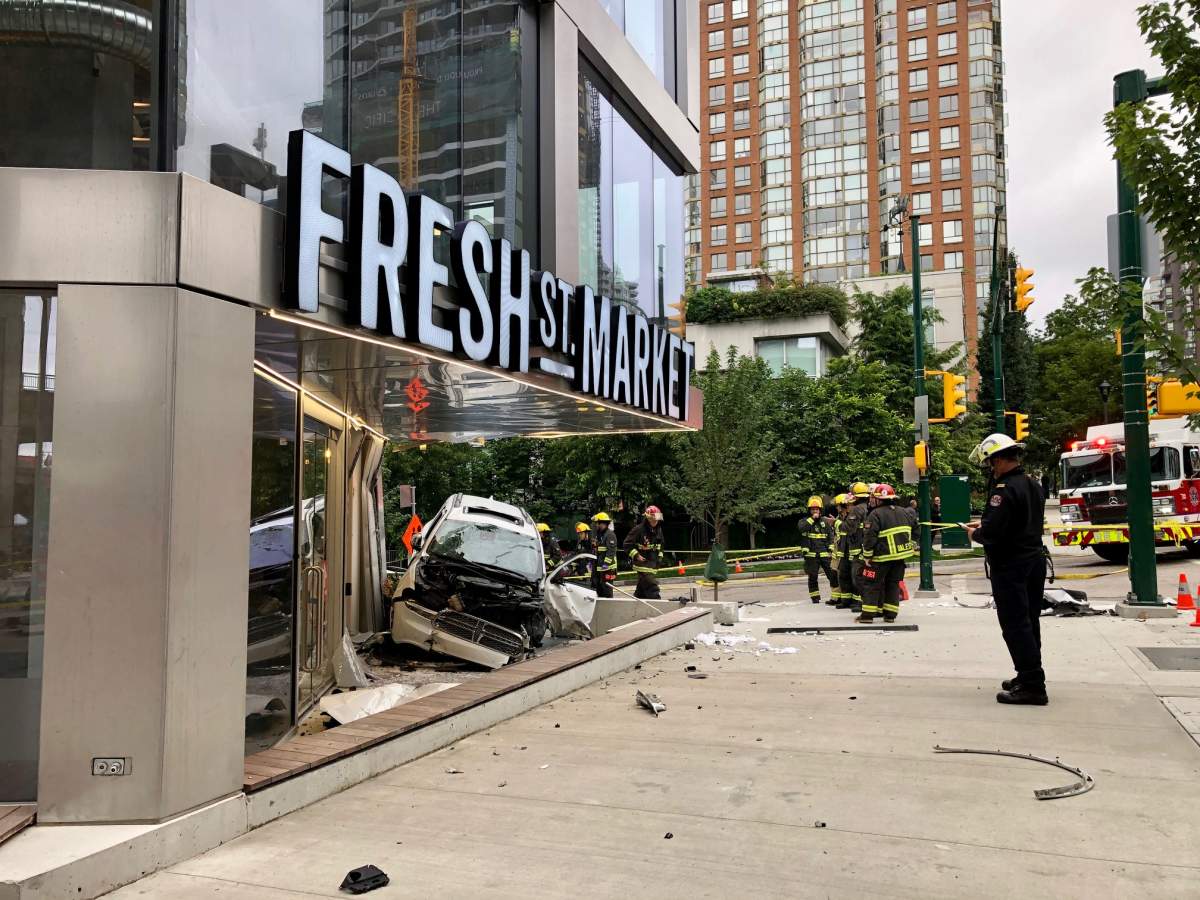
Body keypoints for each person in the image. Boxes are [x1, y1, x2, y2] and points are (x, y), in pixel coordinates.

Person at [965, 434, 1049, 706]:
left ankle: (1032, 685)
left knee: (1015, 624)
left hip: (1011, 564)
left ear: (1000, 459)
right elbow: (1019, 521)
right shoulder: (1032, 484)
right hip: (1033, 560)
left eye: (991, 462)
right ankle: (1029, 675)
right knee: (1029, 620)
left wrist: (975, 533)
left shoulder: (1004, 489)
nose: (991, 467)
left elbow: (994, 532)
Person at [857, 483, 914, 623]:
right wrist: (914, 543)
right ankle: (890, 615)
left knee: (871, 584)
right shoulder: (904, 512)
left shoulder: (875, 514)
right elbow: (916, 528)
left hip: (880, 558)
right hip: (900, 558)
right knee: (893, 584)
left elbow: (870, 537)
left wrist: (867, 556)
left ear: (878, 500)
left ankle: (867, 616)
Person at [801, 496, 838, 604]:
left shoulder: (825, 521)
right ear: (809, 510)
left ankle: (836, 596)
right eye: (813, 509)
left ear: (820, 510)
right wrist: (812, 519)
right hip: (811, 555)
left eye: (817, 509)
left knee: (832, 575)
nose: (815, 511)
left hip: (825, 554)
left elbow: (831, 536)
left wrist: (831, 550)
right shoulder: (804, 521)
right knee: (812, 577)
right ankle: (815, 598)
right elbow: (802, 528)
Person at [623, 505, 665, 599]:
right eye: (654, 519)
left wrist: (660, 557)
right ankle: (657, 602)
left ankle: (638, 599)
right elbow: (627, 544)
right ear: (648, 518)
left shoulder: (658, 530)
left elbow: (661, 545)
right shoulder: (639, 529)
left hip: (653, 563)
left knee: (642, 588)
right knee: (652, 586)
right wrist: (636, 555)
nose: (656, 521)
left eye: (657, 519)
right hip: (642, 564)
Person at [843, 482, 872, 613]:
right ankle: (865, 602)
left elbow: (849, 528)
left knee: (858, 577)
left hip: (859, 550)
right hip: (867, 548)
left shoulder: (857, 509)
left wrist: (836, 523)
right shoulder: (869, 507)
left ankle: (865, 603)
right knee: (867, 577)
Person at [590, 512, 619, 598]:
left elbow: (611, 552)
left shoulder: (610, 535)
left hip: (608, 568)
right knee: (599, 588)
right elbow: (599, 549)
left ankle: (609, 607)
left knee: (607, 590)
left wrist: (606, 564)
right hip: (600, 567)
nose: (597, 525)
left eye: (598, 523)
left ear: (604, 523)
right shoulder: (599, 534)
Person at [829, 494, 851, 606]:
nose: (837, 508)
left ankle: (846, 599)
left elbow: (847, 528)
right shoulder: (839, 518)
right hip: (837, 552)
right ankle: (836, 597)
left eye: (838, 506)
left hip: (847, 552)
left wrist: (835, 522)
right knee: (834, 575)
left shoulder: (850, 517)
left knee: (845, 576)